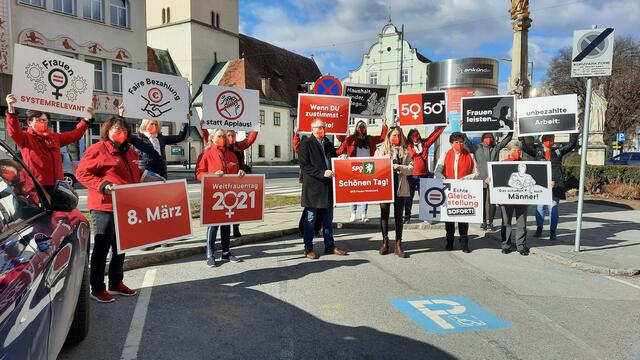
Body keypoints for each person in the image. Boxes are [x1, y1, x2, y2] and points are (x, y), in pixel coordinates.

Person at [76, 116, 154, 303]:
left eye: (125, 130)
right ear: (107, 130)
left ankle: (116, 282)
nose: (121, 132)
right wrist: (103, 185)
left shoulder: (129, 151)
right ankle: (97, 288)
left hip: (125, 206)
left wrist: (150, 177)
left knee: (121, 247)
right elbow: (81, 173)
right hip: (105, 205)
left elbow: (136, 173)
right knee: (102, 248)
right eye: (117, 129)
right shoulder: (98, 149)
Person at [5, 93, 92, 195]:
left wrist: (86, 120)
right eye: (39, 120)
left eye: (45, 120)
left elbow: (75, 135)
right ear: (29, 122)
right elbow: (13, 131)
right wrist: (11, 109)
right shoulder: (26, 138)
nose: (43, 123)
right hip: (36, 187)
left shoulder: (55, 137)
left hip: (57, 186)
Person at [298, 118, 348, 259]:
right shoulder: (306, 143)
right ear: (312, 129)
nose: (322, 130)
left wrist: (341, 158)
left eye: (324, 127)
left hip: (327, 188)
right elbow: (305, 166)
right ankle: (308, 248)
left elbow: (332, 161)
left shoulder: (328, 144)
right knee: (310, 219)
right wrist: (322, 173)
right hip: (313, 188)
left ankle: (329, 246)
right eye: (319, 127)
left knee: (328, 218)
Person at [196, 129, 246, 267]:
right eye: (219, 136)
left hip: (229, 195)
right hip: (213, 194)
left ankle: (226, 252)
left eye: (224, 136)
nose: (222, 139)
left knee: (226, 224)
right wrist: (212, 176)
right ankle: (210, 254)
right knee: (213, 224)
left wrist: (241, 173)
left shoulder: (232, 155)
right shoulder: (206, 153)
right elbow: (199, 174)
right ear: (212, 138)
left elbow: (236, 172)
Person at [201, 123, 258, 238]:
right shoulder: (219, 148)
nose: (231, 137)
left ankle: (236, 228)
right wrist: (202, 126)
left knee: (236, 206)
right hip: (221, 182)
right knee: (219, 213)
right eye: (229, 135)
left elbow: (250, 140)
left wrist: (256, 128)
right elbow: (208, 138)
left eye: (233, 135)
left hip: (236, 179)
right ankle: (212, 242)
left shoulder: (238, 147)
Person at [520, 133, 579, 241]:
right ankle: (539, 229)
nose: (549, 142)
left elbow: (571, 145)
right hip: (541, 186)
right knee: (540, 208)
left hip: (555, 186)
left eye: (551, 139)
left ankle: (553, 232)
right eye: (547, 140)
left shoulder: (557, 152)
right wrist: (520, 133)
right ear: (543, 141)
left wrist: (575, 132)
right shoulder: (537, 152)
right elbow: (524, 147)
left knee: (553, 208)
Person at [434, 132, 479, 253]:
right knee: (449, 219)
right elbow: (437, 171)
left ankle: (464, 243)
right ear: (451, 143)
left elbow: (476, 173)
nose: (459, 144)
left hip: (463, 191)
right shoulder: (445, 154)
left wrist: (466, 178)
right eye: (456, 142)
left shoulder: (470, 155)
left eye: (461, 142)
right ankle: (449, 242)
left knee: (463, 218)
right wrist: (441, 177)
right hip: (449, 191)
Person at [337, 118, 388, 222]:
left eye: (363, 127)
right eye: (360, 127)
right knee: (353, 191)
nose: (362, 129)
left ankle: (364, 214)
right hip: (354, 167)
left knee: (365, 192)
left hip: (367, 167)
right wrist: (342, 129)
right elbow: (340, 139)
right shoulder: (351, 138)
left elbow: (382, 138)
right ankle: (353, 213)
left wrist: (384, 125)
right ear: (356, 128)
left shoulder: (370, 139)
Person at [374, 126, 414, 257]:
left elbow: (412, 169)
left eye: (398, 135)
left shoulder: (406, 150)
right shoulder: (380, 149)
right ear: (389, 136)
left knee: (398, 216)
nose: (396, 138)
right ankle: (385, 242)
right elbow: (374, 166)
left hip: (400, 187)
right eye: (394, 135)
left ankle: (398, 244)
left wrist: (400, 167)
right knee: (384, 214)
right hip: (385, 187)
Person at [465, 131, 513, 231]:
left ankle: (490, 222)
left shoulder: (496, 148)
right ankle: (483, 222)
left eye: (490, 138)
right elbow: (466, 142)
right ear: (483, 139)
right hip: (480, 179)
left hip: (492, 179)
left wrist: (511, 129)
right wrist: (463, 127)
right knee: (482, 202)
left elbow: (507, 140)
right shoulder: (476, 147)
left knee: (492, 202)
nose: (489, 140)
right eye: (486, 138)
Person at [404, 125, 446, 223]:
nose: (415, 137)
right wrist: (397, 124)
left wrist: (443, 125)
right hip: (411, 175)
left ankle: (426, 216)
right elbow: (400, 135)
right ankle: (407, 217)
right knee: (409, 197)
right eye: (412, 135)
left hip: (424, 174)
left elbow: (434, 136)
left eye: (416, 134)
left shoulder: (425, 144)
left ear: (419, 135)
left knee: (424, 197)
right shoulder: (408, 145)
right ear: (409, 137)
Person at [498, 141, 530, 255]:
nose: (517, 152)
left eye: (519, 150)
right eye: (515, 150)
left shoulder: (526, 165)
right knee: (506, 222)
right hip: (506, 200)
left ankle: (520, 246)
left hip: (522, 199)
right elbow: (497, 179)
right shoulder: (502, 164)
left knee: (521, 223)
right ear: (509, 151)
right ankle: (506, 245)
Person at [293, 128, 322, 238]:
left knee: (319, 206)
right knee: (310, 206)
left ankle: (316, 229)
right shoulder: (304, 143)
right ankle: (303, 229)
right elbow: (297, 147)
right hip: (308, 178)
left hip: (319, 177)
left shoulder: (320, 142)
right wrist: (296, 134)